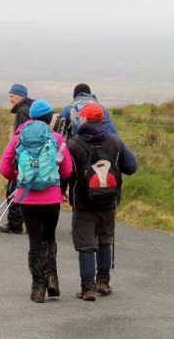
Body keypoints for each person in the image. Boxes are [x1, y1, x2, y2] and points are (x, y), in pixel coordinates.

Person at [0, 100, 72, 303]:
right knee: (50, 238)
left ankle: (38, 288)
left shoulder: (18, 138)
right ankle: (52, 279)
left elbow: (3, 167)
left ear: (31, 116)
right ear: (49, 118)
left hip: (26, 198)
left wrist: (20, 179)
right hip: (51, 198)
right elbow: (67, 170)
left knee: (35, 242)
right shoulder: (57, 139)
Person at [67, 103, 137, 301]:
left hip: (83, 201)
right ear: (102, 119)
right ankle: (103, 283)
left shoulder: (74, 144)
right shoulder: (115, 142)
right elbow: (131, 167)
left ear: (85, 119)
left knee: (86, 244)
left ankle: (87, 288)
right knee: (105, 239)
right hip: (109, 200)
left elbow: (65, 172)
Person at [0, 83, 34, 234]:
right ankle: (20, 221)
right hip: (30, 156)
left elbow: (22, 136)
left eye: (12, 96)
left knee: (14, 189)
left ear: (20, 96)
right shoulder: (29, 109)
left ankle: (14, 223)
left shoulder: (22, 112)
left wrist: (15, 156)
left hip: (22, 156)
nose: (10, 100)